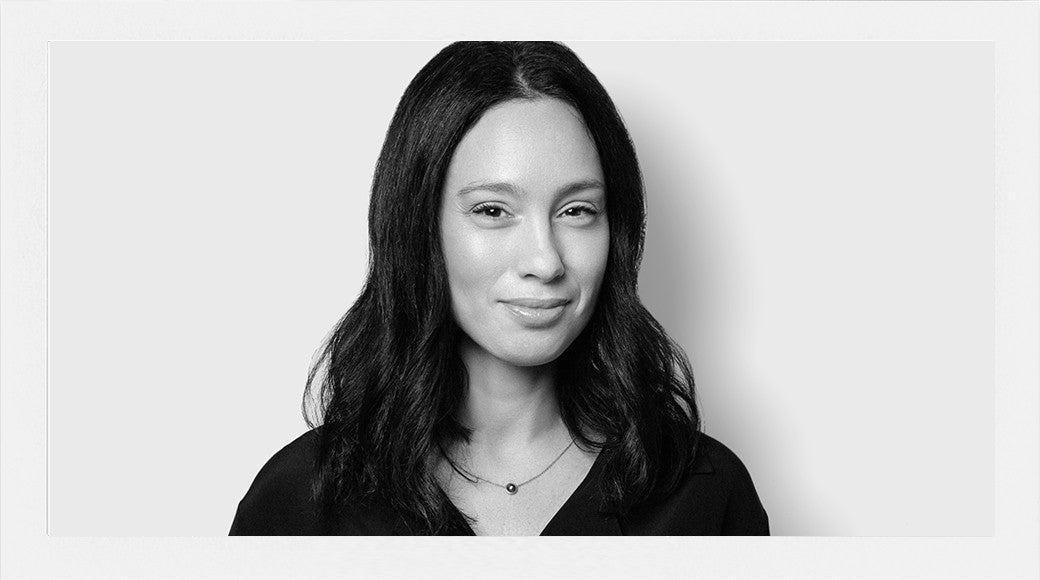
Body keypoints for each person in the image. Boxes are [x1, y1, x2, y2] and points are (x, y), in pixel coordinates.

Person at [229, 41, 768, 536]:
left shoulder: (705, 493)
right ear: (420, 226)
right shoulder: (300, 500)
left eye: (577, 211)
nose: (545, 261)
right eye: (492, 210)